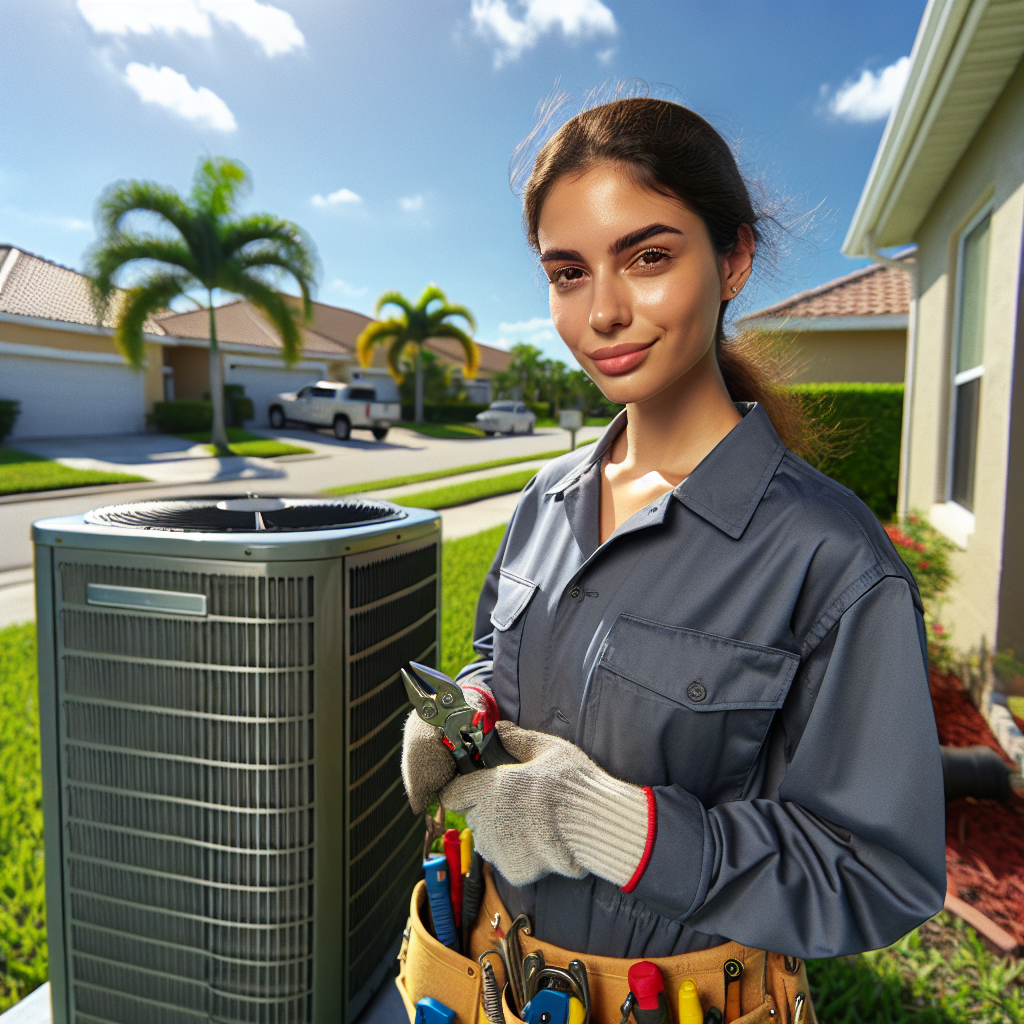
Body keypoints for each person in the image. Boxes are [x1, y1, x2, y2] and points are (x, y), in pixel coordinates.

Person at [402, 96, 946, 1016]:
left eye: (648, 257)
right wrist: (474, 710)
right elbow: (509, 661)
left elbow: (877, 872)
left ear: (731, 260)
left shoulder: (828, 559)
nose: (604, 311)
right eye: (567, 272)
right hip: (490, 979)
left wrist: (617, 828)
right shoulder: (544, 501)